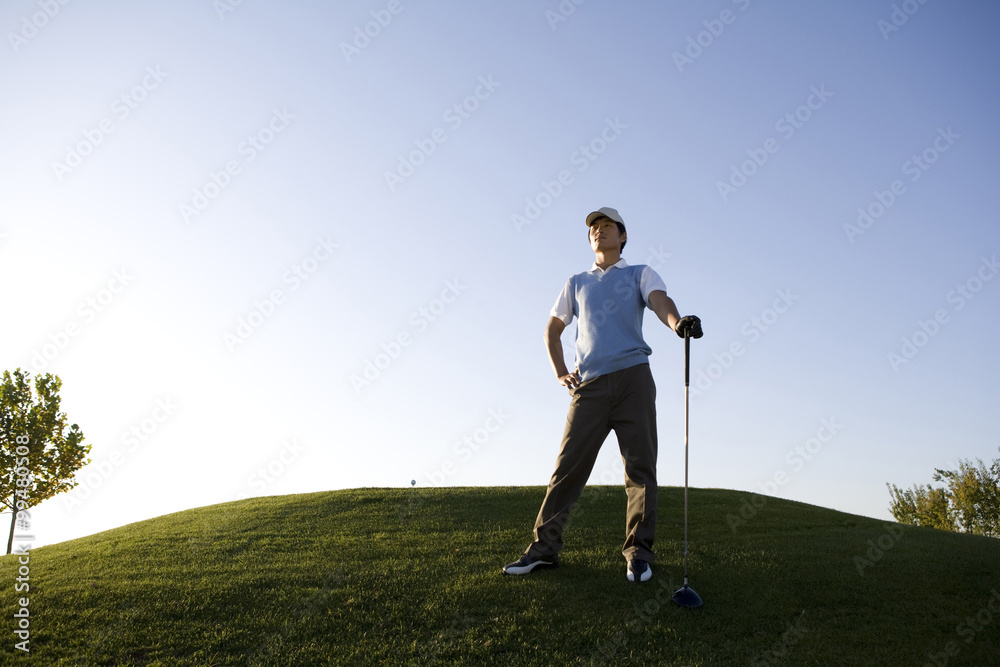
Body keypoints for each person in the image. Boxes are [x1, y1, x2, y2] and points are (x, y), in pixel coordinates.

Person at [502, 206, 702, 583]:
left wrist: (678, 324)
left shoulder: (640, 273)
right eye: (594, 227)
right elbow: (552, 329)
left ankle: (638, 554)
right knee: (567, 470)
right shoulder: (576, 282)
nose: (599, 231)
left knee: (640, 469)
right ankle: (543, 550)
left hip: (633, 380)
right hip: (590, 386)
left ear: (622, 236)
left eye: (607, 226)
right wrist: (561, 371)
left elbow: (660, 301)